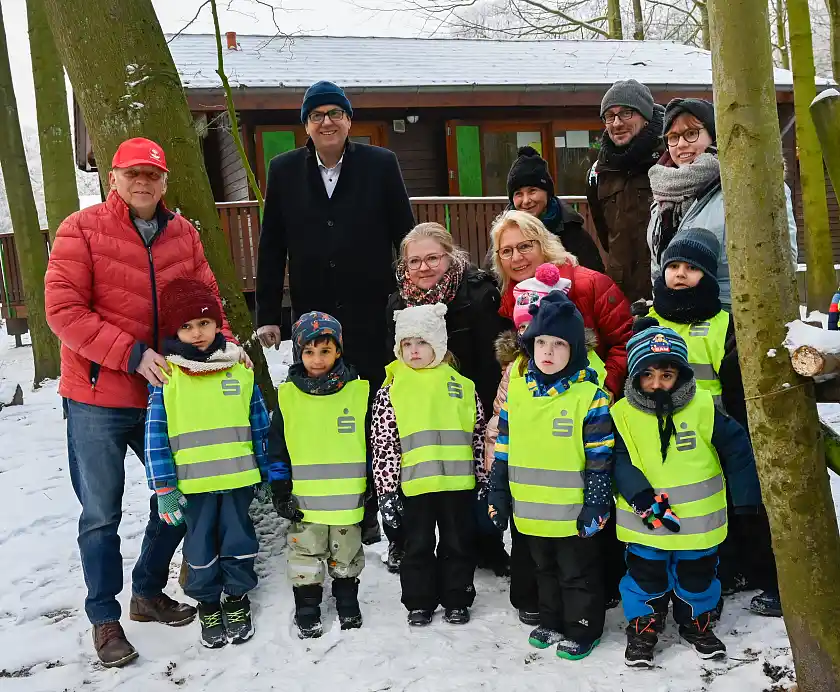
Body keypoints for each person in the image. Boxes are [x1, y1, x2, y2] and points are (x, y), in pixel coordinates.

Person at [44, 137, 241, 667]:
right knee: (101, 514)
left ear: (164, 182)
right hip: (98, 396)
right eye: (131, 174)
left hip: (170, 396)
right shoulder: (79, 231)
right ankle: (104, 618)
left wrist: (222, 346)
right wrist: (131, 354)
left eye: (151, 175)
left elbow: (208, 302)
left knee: (177, 497)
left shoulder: (183, 235)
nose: (142, 183)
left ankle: (147, 592)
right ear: (113, 179)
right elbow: (63, 311)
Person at [256, 80, 415, 545]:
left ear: (349, 120)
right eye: (317, 115)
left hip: (371, 310)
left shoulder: (380, 164)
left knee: (369, 407)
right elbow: (271, 247)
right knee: (321, 410)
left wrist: (409, 301)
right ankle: (327, 499)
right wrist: (270, 313)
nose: (327, 122)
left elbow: (404, 235)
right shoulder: (284, 170)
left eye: (335, 113)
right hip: (314, 317)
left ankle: (369, 502)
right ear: (306, 125)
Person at [488, 210, 632, 623]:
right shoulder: (513, 297)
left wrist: (605, 388)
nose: (517, 257)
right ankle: (540, 598)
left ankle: (590, 600)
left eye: (525, 245)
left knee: (589, 498)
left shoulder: (587, 282)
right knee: (535, 503)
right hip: (532, 415)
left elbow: (623, 338)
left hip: (585, 411)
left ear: (545, 242)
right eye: (507, 251)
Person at [642, 228, 781, 616]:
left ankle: (765, 576)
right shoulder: (647, 321)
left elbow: (736, 386)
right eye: (673, 266)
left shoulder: (723, 324)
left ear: (708, 275)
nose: (681, 274)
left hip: (717, 431)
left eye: (691, 268)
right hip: (661, 435)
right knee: (679, 507)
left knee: (741, 505)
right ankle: (691, 575)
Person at [611, 323, 761, 667]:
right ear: (635, 376)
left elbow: (738, 450)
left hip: (700, 522)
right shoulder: (622, 414)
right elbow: (618, 460)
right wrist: (641, 496)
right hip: (645, 519)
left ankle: (697, 622)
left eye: (667, 374)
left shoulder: (705, 407)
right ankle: (644, 626)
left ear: (680, 373)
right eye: (647, 375)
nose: (657, 383)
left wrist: (746, 499)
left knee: (699, 576)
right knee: (645, 576)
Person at [487, 292, 614, 660]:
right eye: (541, 342)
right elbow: (504, 451)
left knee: (577, 573)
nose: (547, 351)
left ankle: (582, 628)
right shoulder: (518, 396)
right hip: (530, 512)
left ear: (574, 350)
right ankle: (552, 620)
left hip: (573, 513)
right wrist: (498, 494)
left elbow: (600, 458)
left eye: (558, 344)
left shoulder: (589, 397)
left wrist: (596, 504)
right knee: (544, 571)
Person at [144, 279, 269, 649]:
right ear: (174, 331)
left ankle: (236, 597)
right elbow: (156, 438)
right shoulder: (168, 376)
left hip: (237, 481)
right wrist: (164, 487)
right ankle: (208, 604)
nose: (197, 333)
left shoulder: (239, 369)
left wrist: (263, 472)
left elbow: (259, 424)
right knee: (199, 547)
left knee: (239, 540)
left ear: (217, 324)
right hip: (193, 487)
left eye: (203, 323)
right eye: (186, 327)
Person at [385, 223, 508, 576]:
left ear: (449, 256)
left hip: (466, 400)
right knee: (415, 478)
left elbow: (490, 358)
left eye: (433, 258)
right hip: (418, 408)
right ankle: (406, 542)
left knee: (473, 479)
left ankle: (486, 543)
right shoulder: (397, 301)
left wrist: (481, 409)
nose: (423, 268)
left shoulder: (477, 292)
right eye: (414, 261)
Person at [371, 303, 488, 626]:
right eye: (406, 345)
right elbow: (384, 443)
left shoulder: (462, 386)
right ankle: (419, 601)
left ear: (438, 343)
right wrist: (386, 490)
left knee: (457, 544)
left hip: (457, 485)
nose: (413, 351)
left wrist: (482, 476)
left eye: (421, 342)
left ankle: (457, 597)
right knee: (417, 546)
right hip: (415, 486)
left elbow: (477, 434)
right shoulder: (392, 389)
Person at [267, 312, 368, 639]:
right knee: (305, 554)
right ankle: (307, 605)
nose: (317, 359)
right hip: (305, 500)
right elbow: (278, 448)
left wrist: (374, 485)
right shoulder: (288, 397)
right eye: (309, 352)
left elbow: (370, 442)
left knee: (346, 552)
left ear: (338, 351)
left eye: (325, 351)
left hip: (347, 500)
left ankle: (347, 600)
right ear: (299, 353)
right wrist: (280, 488)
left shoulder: (357, 393)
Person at [647, 98, 799, 311]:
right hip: (679, 323)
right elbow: (658, 270)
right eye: (673, 137)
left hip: (737, 317)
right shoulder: (662, 198)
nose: (681, 144)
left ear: (713, 135)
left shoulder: (750, 184)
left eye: (691, 133)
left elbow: (782, 259)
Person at [587, 79, 665, 302]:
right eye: (609, 116)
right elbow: (605, 234)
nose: (617, 123)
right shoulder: (598, 172)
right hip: (621, 296)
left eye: (626, 113)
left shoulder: (669, 160)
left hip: (666, 289)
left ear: (646, 117)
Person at [507, 146, 605, 273]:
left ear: (547, 193)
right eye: (518, 194)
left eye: (532, 191)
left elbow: (596, 278)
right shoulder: (504, 233)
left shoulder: (571, 231)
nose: (526, 201)